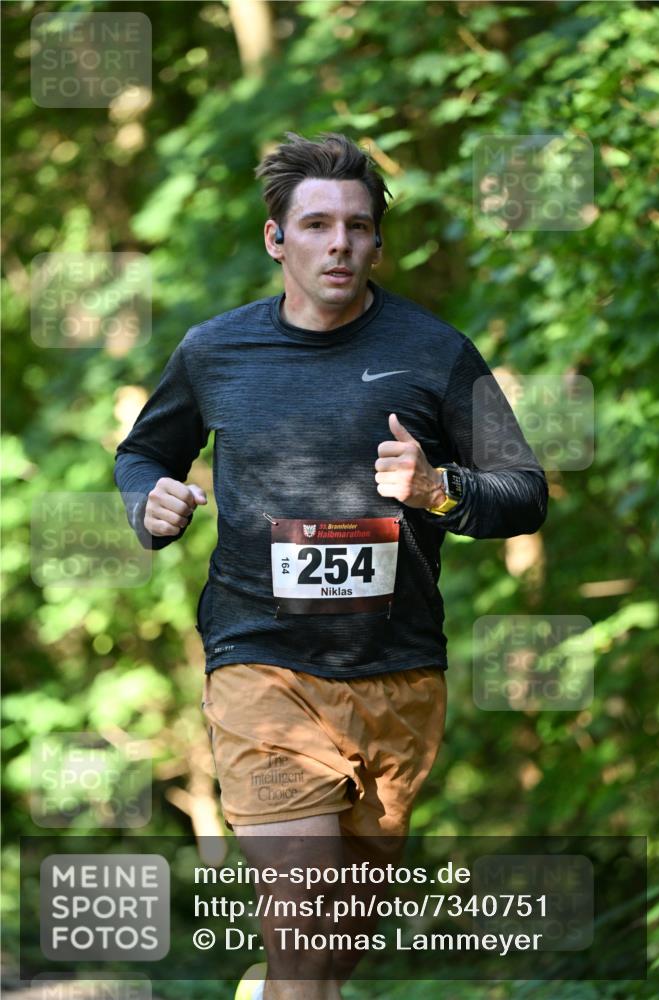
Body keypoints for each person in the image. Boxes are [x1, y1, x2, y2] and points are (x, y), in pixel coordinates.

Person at [114, 132, 548, 999]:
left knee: (331, 946)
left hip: (398, 675)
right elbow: (143, 455)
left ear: (377, 240)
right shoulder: (215, 352)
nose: (338, 244)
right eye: (315, 224)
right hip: (261, 663)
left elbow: (524, 493)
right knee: (307, 920)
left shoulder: (435, 352)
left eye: (356, 226)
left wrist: (437, 489)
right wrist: (149, 502)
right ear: (277, 239)